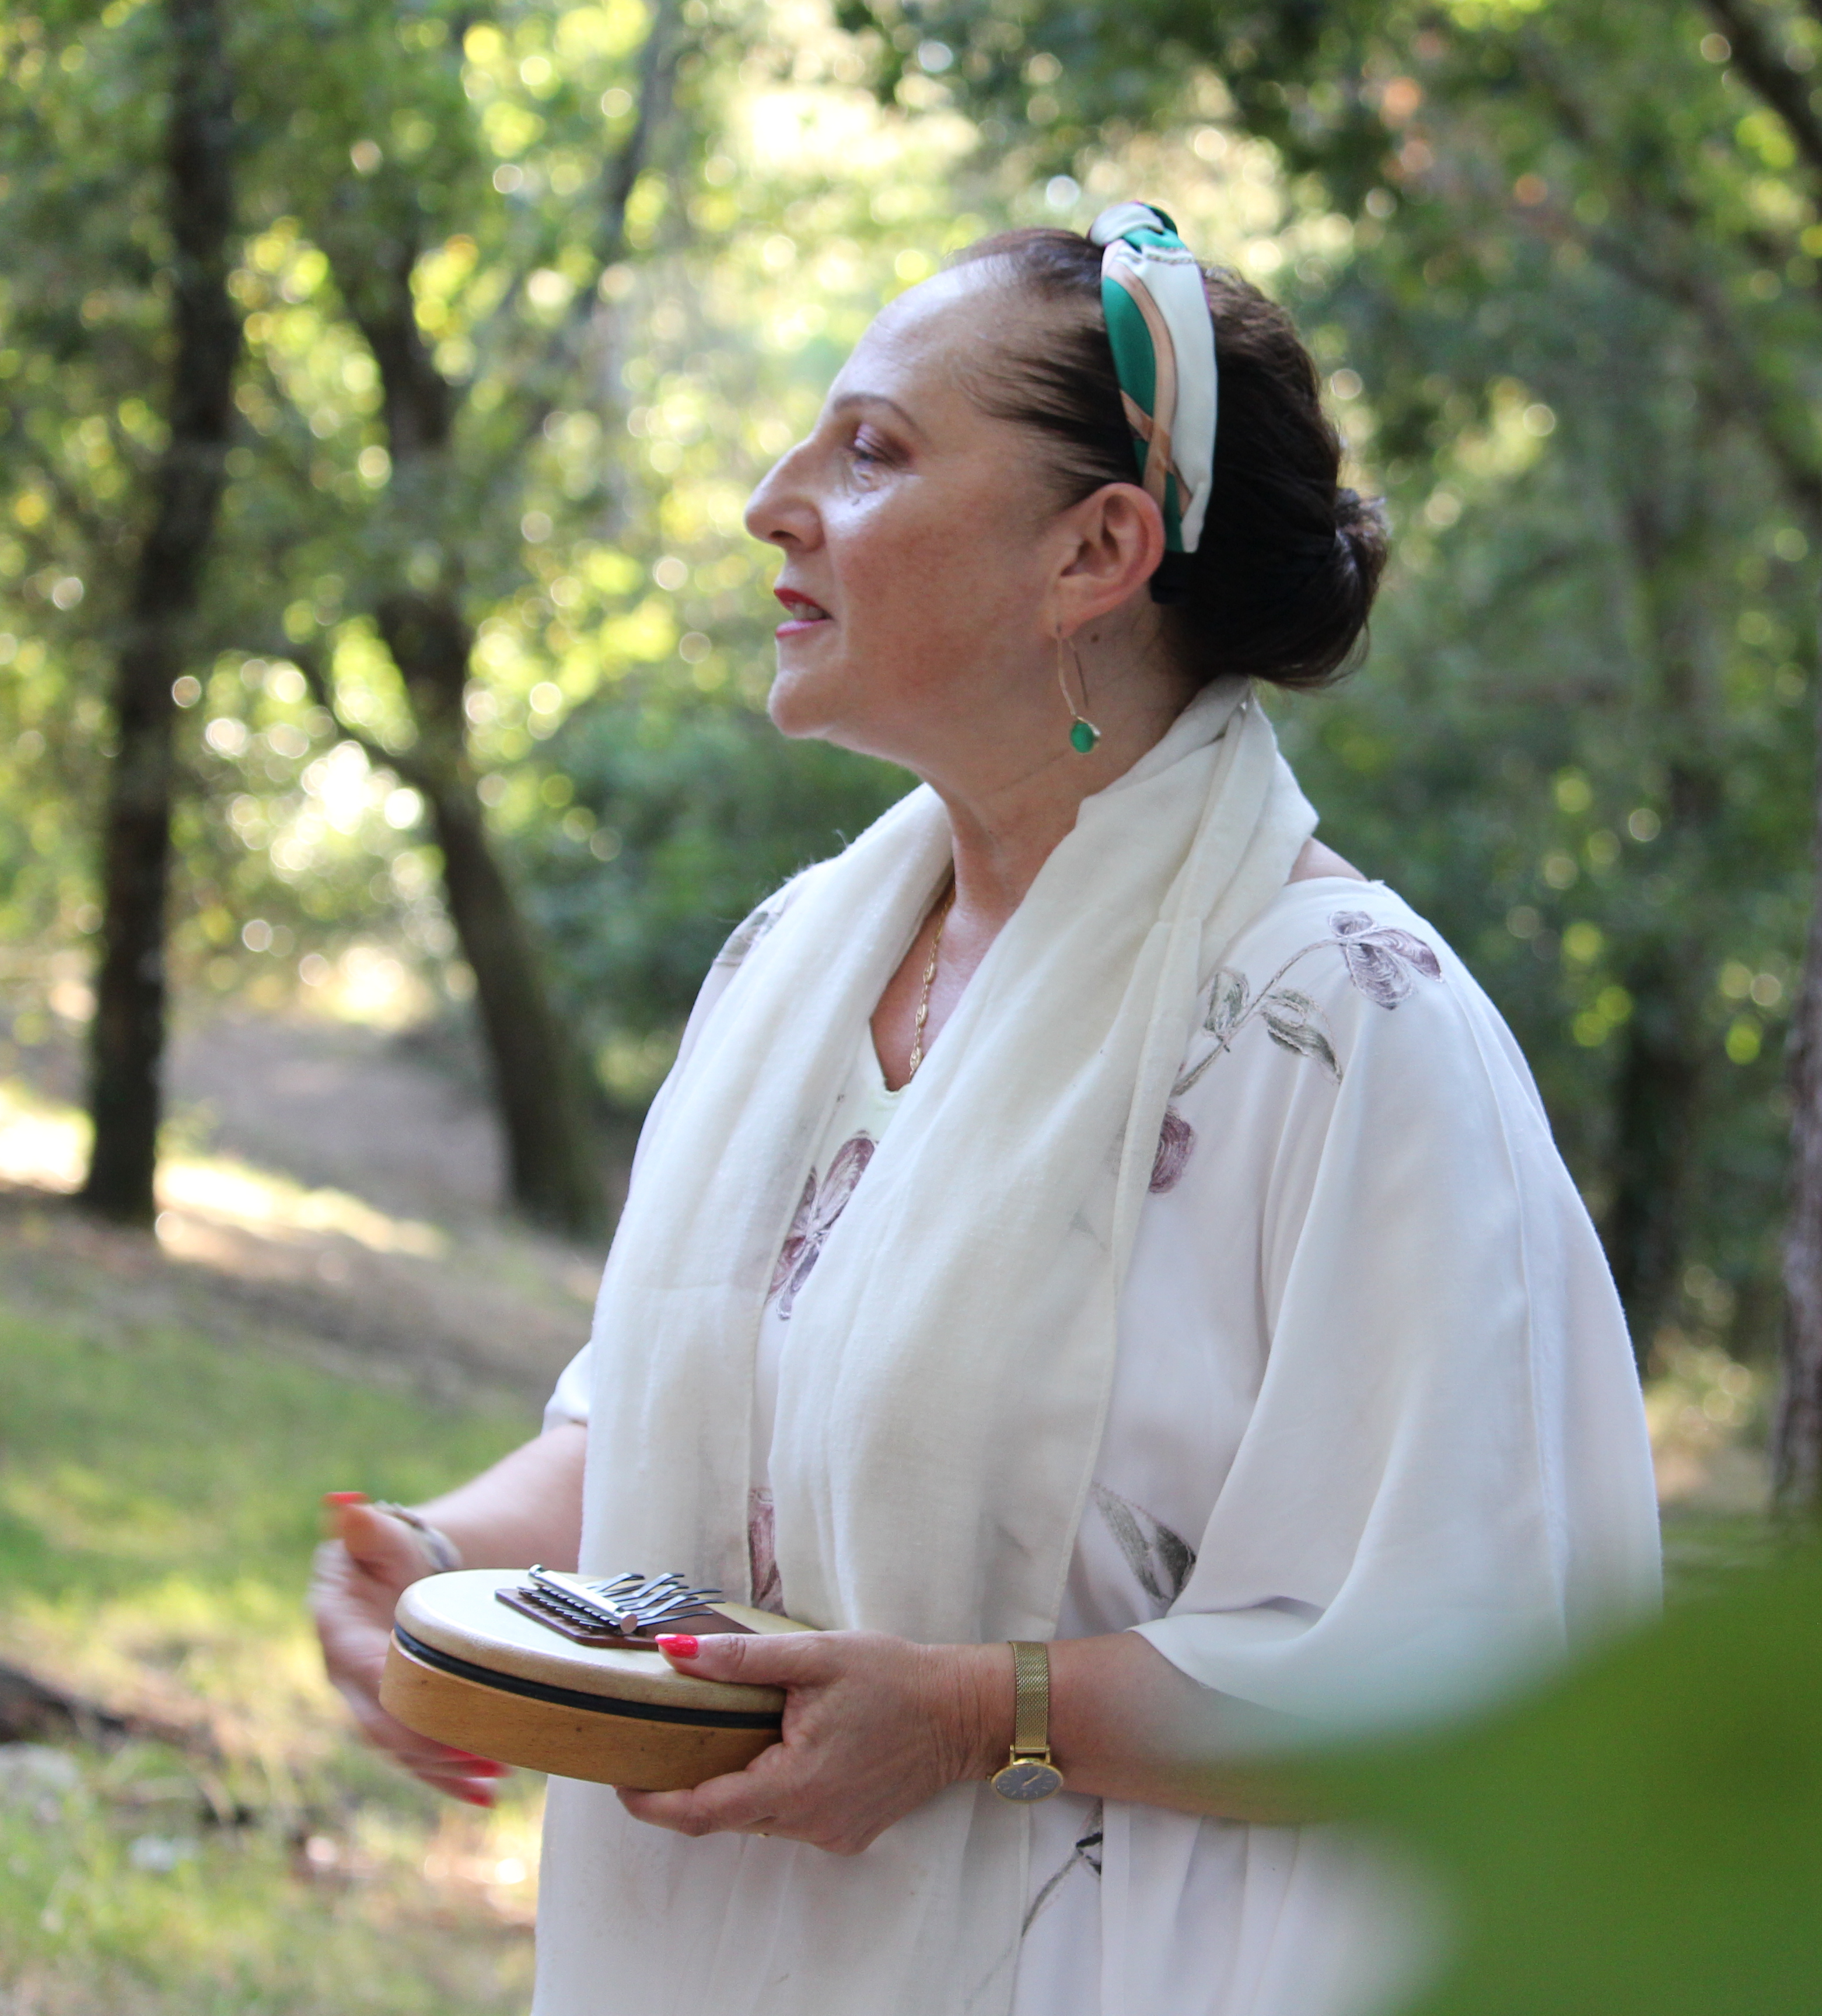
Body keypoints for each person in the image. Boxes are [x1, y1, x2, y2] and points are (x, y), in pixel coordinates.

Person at [311, 202, 1660, 2016]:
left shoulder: (1340, 1029)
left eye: (870, 452)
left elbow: (1471, 1682)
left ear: (1094, 551)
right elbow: (691, 1430)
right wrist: (449, 1559)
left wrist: (975, 1720)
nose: (772, 502)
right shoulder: (797, 959)